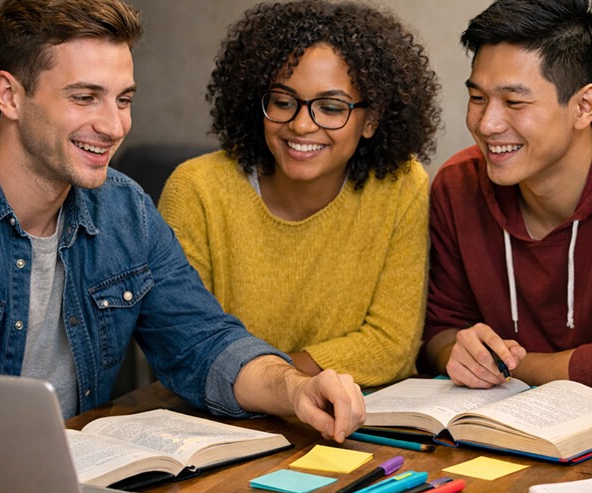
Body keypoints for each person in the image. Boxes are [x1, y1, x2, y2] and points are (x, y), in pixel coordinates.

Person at [0, 0, 364, 442]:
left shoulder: (125, 209)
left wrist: (296, 388)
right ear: (9, 95)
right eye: (85, 97)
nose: (114, 126)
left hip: (73, 479)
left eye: (123, 99)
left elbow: (204, 342)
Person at [159, 0, 439, 388]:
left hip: (351, 423)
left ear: (371, 119)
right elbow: (187, 346)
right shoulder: (197, 190)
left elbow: (390, 347)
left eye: (330, 107)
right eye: (283, 101)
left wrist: (262, 376)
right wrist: (283, 387)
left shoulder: (400, 186)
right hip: (219, 422)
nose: (301, 124)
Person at [420, 0, 592, 397]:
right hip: (491, 438)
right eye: (477, 98)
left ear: (583, 106)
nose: (487, 124)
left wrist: (508, 364)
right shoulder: (458, 185)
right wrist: (461, 351)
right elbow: (439, 333)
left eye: (514, 102)